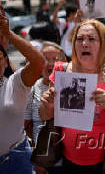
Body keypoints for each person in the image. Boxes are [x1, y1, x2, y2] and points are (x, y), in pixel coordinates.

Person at [39, 19, 105, 174]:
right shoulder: (62, 71)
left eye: (91, 39)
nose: (84, 43)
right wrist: (47, 104)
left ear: (103, 43)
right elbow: (45, 116)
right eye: (79, 39)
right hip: (68, 160)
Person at [0, 4, 45, 174]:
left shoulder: (15, 83)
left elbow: (38, 62)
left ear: (5, 62)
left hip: (16, 163)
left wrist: (8, 34)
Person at [24, 42, 66, 174]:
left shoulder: (73, 87)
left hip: (69, 160)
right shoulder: (31, 88)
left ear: (65, 63)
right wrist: (36, 161)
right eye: (46, 59)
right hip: (44, 162)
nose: (51, 64)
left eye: (56, 59)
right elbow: (26, 127)